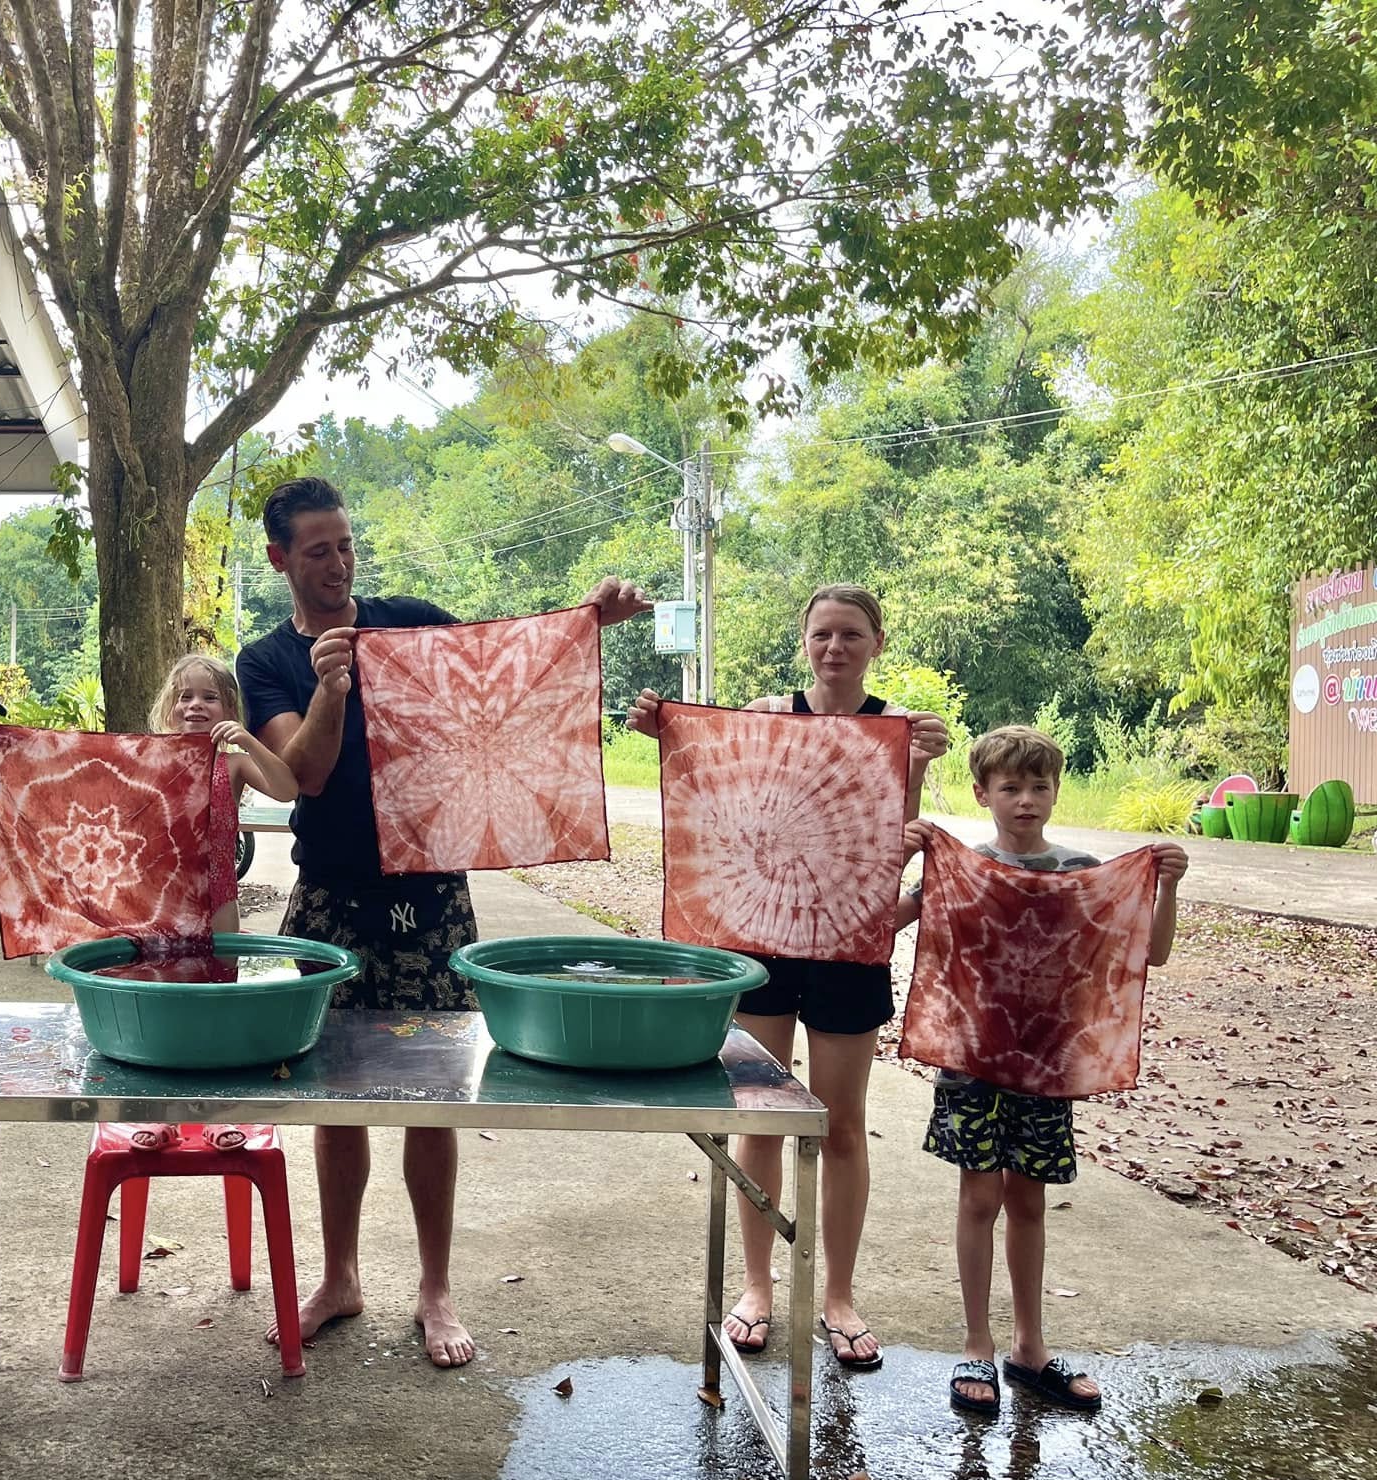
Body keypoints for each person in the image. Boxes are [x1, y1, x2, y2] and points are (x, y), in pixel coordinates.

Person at [237, 475, 650, 1368]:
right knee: (335, 1102)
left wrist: (587, 620)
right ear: (281, 560)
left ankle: (434, 1288)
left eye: (346, 545)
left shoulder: (411, 620)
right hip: (332, 901)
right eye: (318, 550)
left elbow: (509, 672)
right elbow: (300, 773)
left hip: (431, 896)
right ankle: (340, 1277)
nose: (339, 564)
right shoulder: (265, 661)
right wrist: (332, 691)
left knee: (436, 1101)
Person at [627, 583, 949, 1370]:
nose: (835, 647)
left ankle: (838, 1294)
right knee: (762, 1116)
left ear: (876, 641)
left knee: (839, 1124)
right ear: (804, 641)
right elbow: (718, 790)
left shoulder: (897, 733)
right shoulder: (768, 715)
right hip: (761, 939)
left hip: (849, 948)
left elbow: (889, 845)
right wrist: (662, 731)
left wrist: (917, 769)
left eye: (850, 635)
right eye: (822, 634)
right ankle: (758, 1284)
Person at [894, 725, 1186, 1416]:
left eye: (1039, 785)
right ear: (982, 793)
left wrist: (1166, 886)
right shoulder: (961, 865)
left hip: (1047, 1061)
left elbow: (1157, 953)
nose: (1026, 799)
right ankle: (976, 1345)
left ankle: (1030, 1348)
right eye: (1010, 787)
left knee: (1028, 1202)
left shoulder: (1081, 873)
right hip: (973, 1060)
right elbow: (886, 924)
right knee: (978, 1199)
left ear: (1057, 790)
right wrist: (900, 856)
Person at [137, 652, 298, 1152]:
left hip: (219, 900)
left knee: (214, 1012)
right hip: (162, 903)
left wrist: (246, 737)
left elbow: (287, 785)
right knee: (163, 1015)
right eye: (185, 695)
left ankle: (214, 1114)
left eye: (209, 697)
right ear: (169, 704)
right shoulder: (149, 755)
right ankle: (163, 1115)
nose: (195, 705)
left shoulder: (233, 761)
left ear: (228, 705)